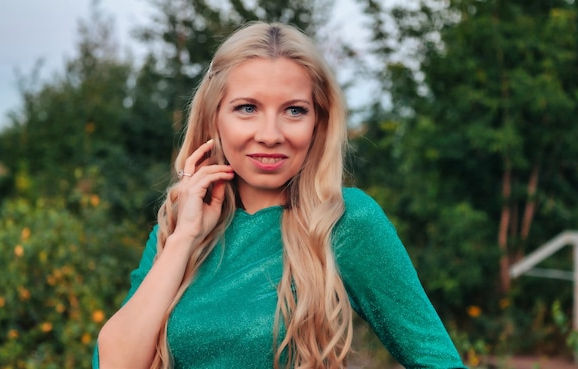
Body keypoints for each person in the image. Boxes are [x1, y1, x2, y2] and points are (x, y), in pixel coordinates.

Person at [94, 21, 467, 369]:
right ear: (215, 117)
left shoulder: (346, 221)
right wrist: (185, 238)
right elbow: (113, 363)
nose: (270, 134)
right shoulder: (178, 227)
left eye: (293, 110)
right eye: (247, 108)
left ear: (317, 122)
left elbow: (438, 360)